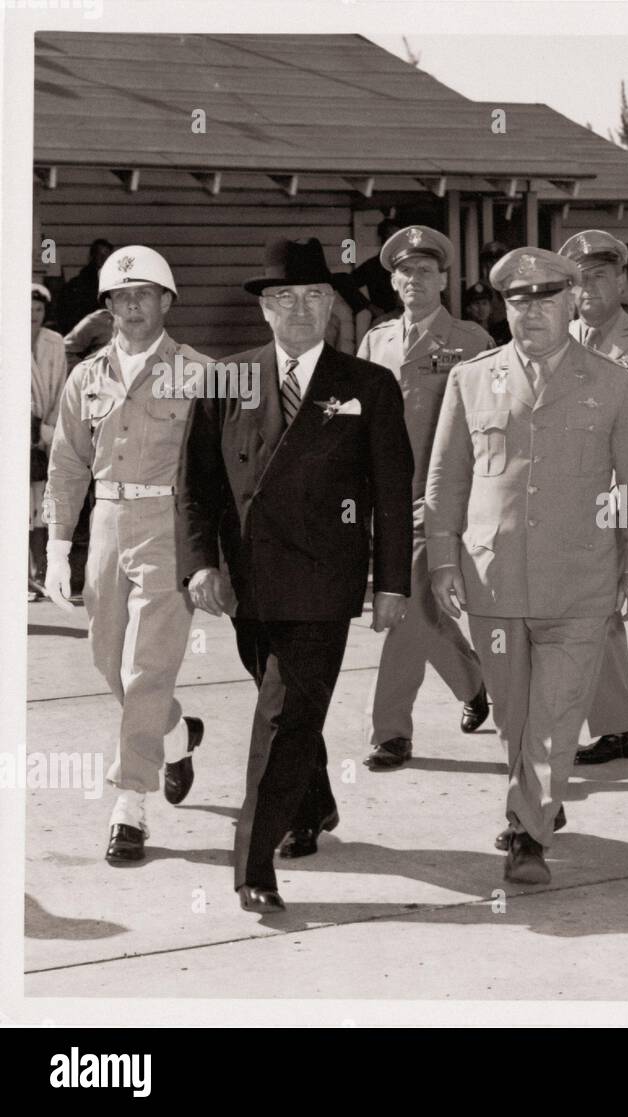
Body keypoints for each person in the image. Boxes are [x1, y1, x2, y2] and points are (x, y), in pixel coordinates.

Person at [177, 237, 413, 912]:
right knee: (288, 710)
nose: (302, 309)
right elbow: (195, 487)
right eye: (285, 297)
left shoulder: (368, 385)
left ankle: (252, 865)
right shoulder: (227, 378)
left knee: (280, 718)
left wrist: (391, 580)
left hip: (322, 582)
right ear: (264, 308)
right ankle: (315, 800)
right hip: (246, 583)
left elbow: (392, 492)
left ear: (332, 305)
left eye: (315, 295)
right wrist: (199, 564)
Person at [425, 248, 628, 884]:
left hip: (580, 582)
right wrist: (443, 557)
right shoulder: (471, 379)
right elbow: (447, 478)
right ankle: (536, 801)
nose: (530, 314)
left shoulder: (612, 381)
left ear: (572, 302)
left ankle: (526, 834)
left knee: (554, 719)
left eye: (546, 301)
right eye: (517, 302)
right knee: (515, 714)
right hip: (493, 579)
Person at [43, 247, 208, 864]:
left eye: (144, 294)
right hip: (108, 525)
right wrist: (59, 545)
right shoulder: (86, 377)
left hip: (168, 525)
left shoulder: (199, 373)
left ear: (167, 301)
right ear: (107, 306)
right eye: (120, 296)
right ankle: (175, 729)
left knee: (146, 666)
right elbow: (67, 461)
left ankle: (129, 802)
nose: (132, 305)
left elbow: (220, 467)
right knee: (106, 658)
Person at [355, 225, 492, 770]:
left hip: (437, 497)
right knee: (421, 609)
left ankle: (391, 732)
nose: (415, 279)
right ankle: (473, 681)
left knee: (405, 611)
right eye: (405, 271)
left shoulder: (470, 341)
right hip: (381, 495)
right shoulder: (376, 340)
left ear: (444, 279)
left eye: (426, 271)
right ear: (394, 281)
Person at [558, 229, 628, 767]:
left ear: (621, 279)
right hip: (569, 499)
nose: (589, 288)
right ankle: (614, 725)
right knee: (587, 614)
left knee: (603, 612)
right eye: (579, 279)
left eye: (600, 275)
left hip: (624, 500)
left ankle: (616, 726)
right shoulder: (557, 341)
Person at [31, 284, 66, 599]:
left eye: (39, 310)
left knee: (42, 503)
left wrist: (49, 427)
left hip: (43, 430)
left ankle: (40, 573)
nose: (33, 316)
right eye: (29, 310)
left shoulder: (54, 342)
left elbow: (60, 388)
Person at [56, 238, 114, 334]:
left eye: (107, 255)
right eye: (100, 254)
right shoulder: (77, 285)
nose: (104, 259)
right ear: (92, 256)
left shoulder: (115, 283)